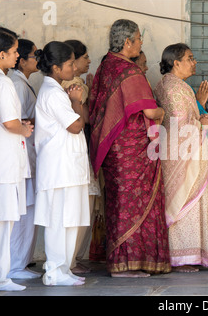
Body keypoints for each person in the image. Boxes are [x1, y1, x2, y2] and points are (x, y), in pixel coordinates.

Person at [89, 19, 171, 277]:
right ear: (127, 43)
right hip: (133, 152)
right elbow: (149, 110)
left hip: (114, 151)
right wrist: (163, 111)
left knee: (119, 202)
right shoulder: (129, 71)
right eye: (138, 38)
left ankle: (121, 262)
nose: (141, 42)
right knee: (132, 204)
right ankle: (128, 264)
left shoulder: (105, 67)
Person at [154, 43, 208, 272]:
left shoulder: (176, 85)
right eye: (190, 58)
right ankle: (180, 258)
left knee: (193, 205)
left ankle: (192, 255)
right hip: (181, 157)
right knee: (184, 206)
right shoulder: (173, 87)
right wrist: (201, 122)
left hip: (187, 154)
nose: (195, 62)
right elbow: (177, 123)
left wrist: (200, 115)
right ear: (176, 62)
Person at [34, 41, 90, 286]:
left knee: (69, 220)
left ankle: (63, 269)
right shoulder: (53, 93)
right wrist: (77, 100)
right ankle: (55, 270)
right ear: (56, 68)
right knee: (59, 221)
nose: (73, 68)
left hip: (67, 167)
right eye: (69, 64)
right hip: (59, 168)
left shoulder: (57, 90)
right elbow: (75, 126)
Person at [0, 27, 33, 291]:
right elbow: (9, 122)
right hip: (3, 163)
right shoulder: (2, 82)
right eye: (14, 51)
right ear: (0, 54)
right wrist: (25, 129)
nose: (18, 55)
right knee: (1, 223)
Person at [61, 39, 102, 275]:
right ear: (72, 61)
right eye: (85, 57)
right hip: (77, 150)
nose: (88, 61)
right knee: (80, 206)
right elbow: (86, 118)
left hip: (74, 151)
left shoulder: (65, 84)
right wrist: (91, 93)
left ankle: (72, 258)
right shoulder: (76, 85)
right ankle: (71, 260)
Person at [8, 39, 41, 280]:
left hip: (26, 152)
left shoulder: (22, 83)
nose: (37, 59)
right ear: (21, 60)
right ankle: (16, 264)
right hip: (20, 153)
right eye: (33, 55)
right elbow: (17, 122)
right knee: (23, 211)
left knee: (27, 209)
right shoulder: (16, 84)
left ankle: (21, 261)